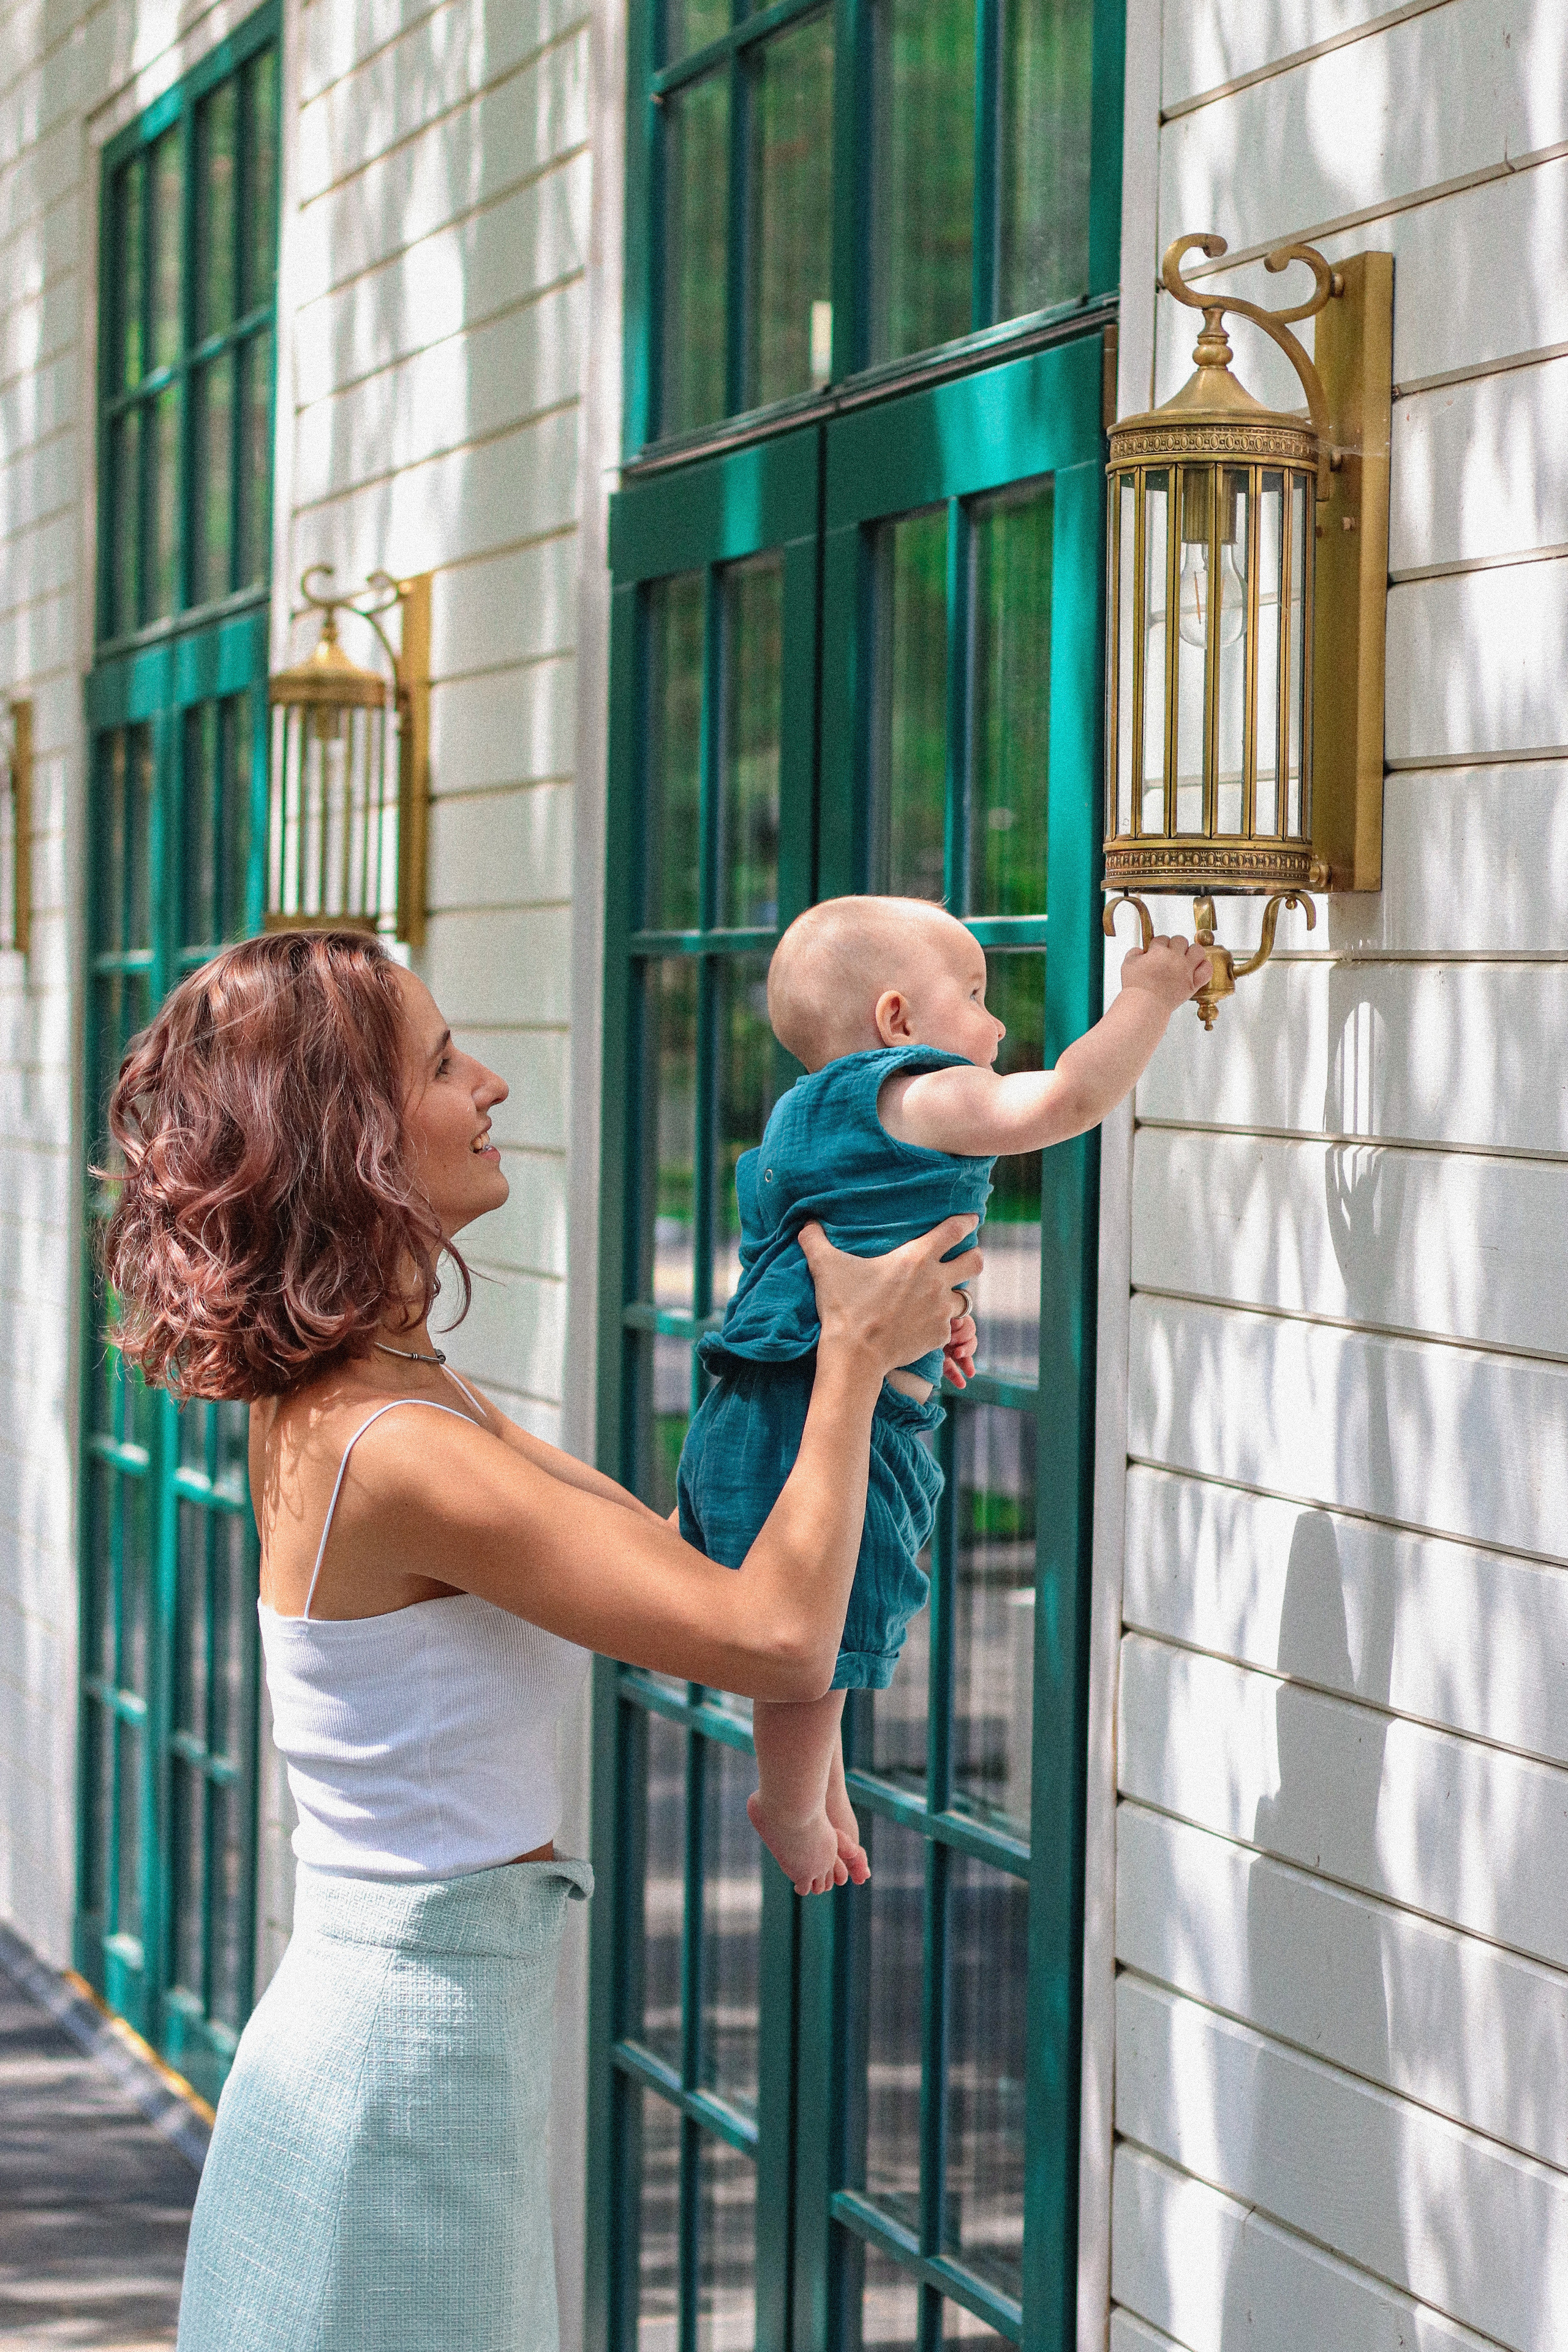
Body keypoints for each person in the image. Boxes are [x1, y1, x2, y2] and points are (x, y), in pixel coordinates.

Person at [99, 929, 979, 2352]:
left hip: (418, 2039)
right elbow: (766, 1637)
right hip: (396, 2077)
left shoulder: (388, 1387)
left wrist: (861, 1380)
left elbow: (675, 1566)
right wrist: (848, 1365)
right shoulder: (396, 1447)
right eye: (443, 1064)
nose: (492, 1084)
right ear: (355, 1138)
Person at [677, 895, 1211, 1894]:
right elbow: (1056, 1103)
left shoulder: (805, 1112)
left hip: (758, 1404)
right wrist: (1146, 998)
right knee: (820, 1631)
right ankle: (789, 1802)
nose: (996, 1023)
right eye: (973, 995)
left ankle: (816, 1788)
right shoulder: (914, 1092)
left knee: (811, 1623)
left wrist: (938, 1324)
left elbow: (816, 1254)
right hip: (818, 1417)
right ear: (897, 1023)